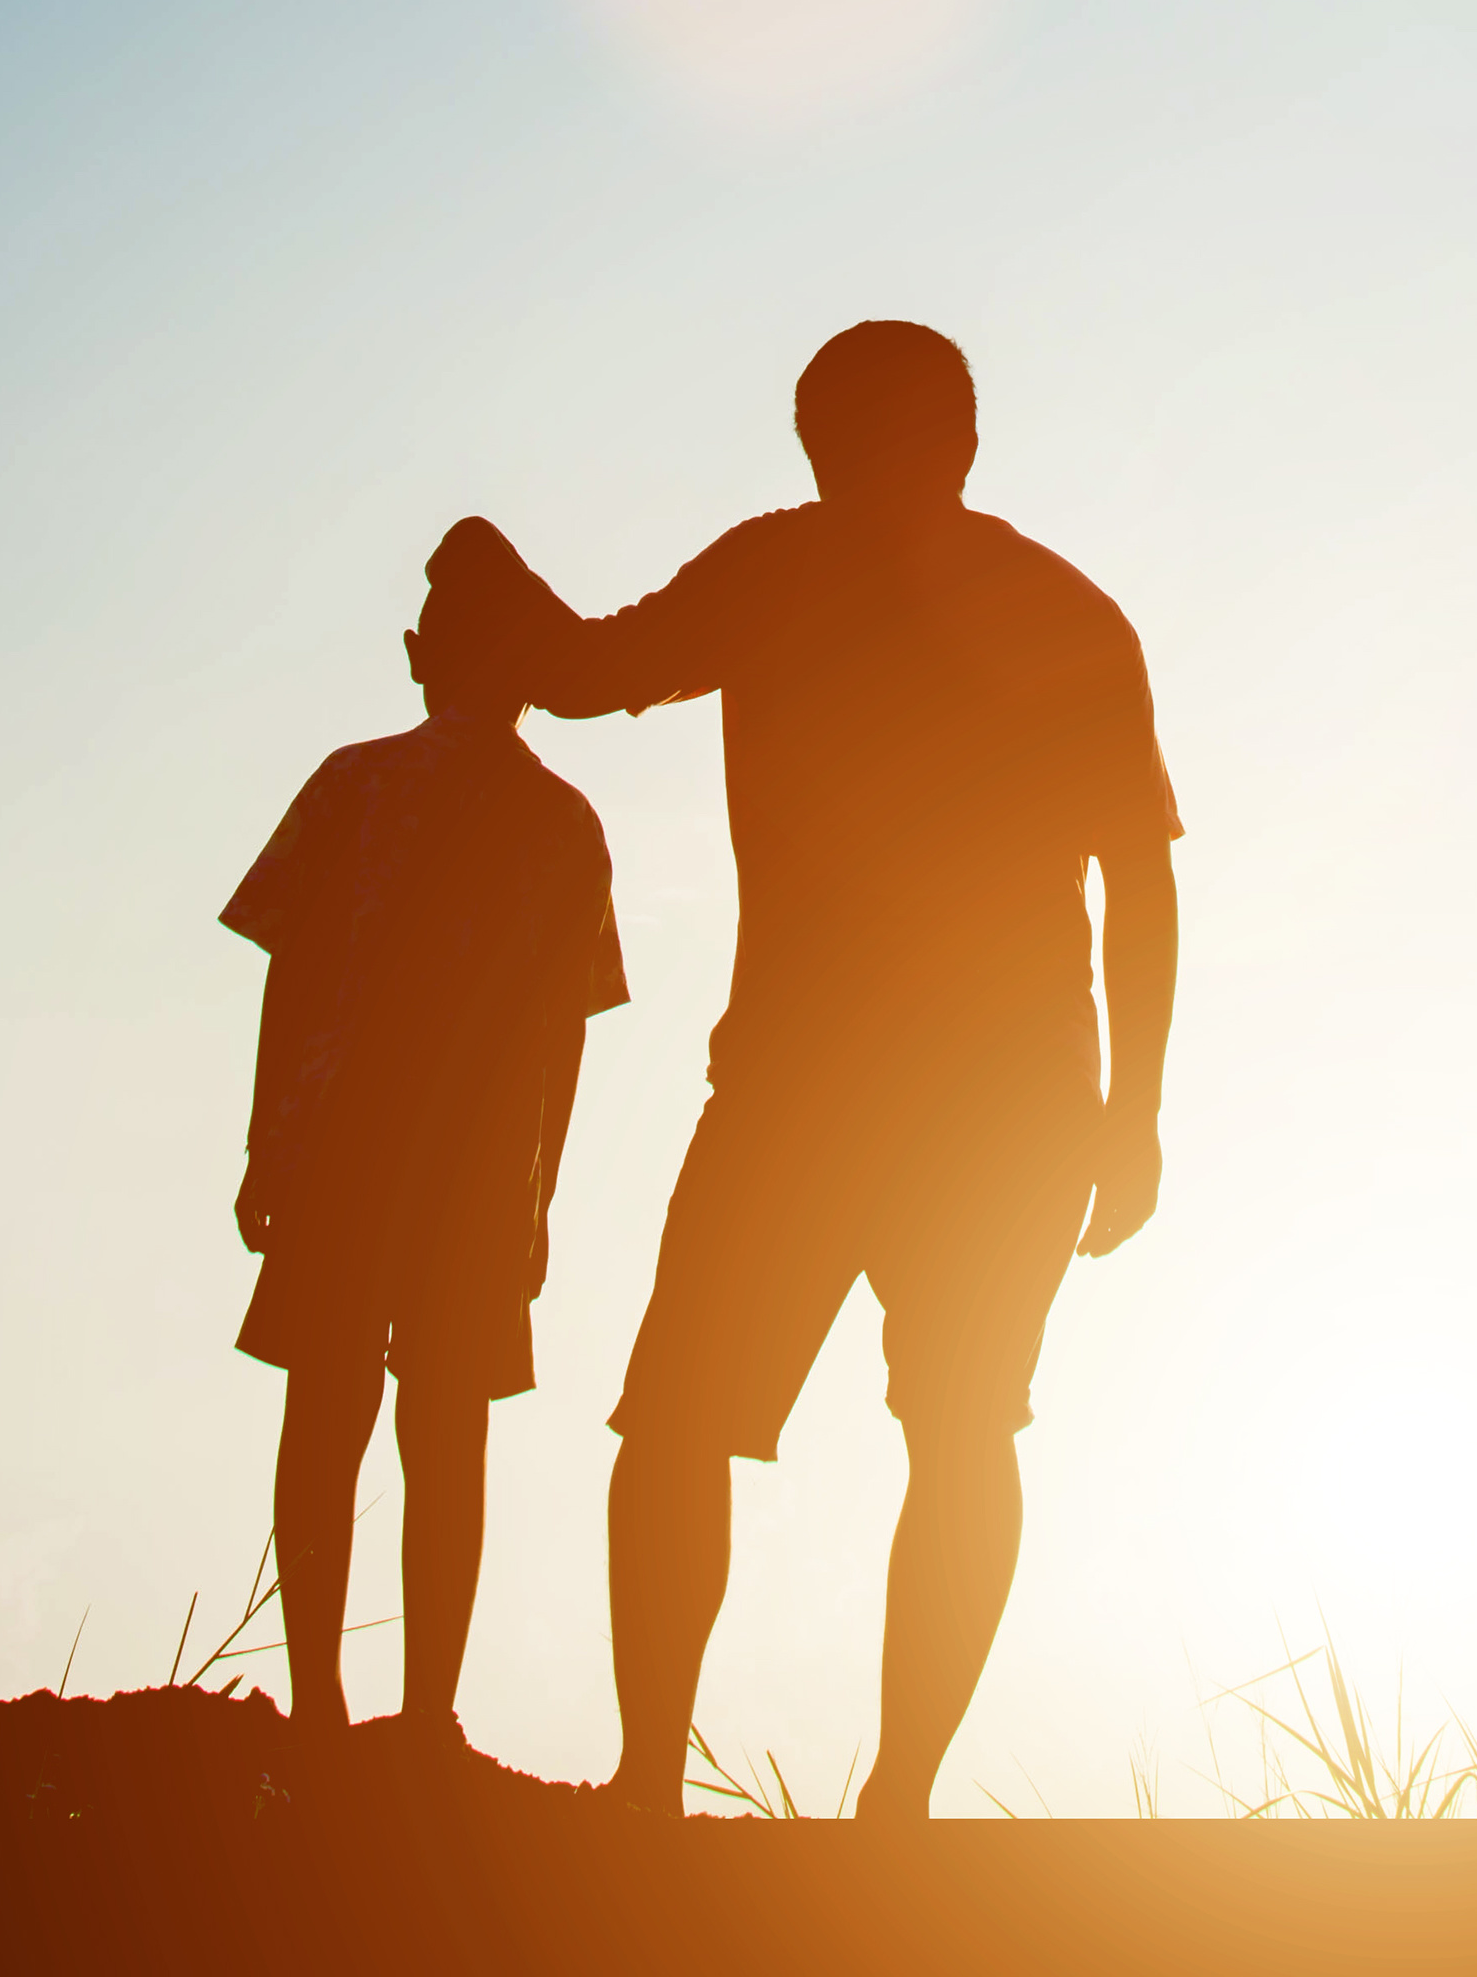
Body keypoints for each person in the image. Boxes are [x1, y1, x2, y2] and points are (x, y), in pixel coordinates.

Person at [451, 321, 1181, 1819]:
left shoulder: (979, 601)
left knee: (928, 1426)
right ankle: (680, 1782)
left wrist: (1134, 1113)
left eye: (874, 442)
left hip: (952, 1100)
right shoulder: (905, 585)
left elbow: (1139, 874)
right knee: (712, 1423)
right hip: (867, 1092)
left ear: (958, 442)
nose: (856, 474)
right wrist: (508, 600)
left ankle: (866, 1796)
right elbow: (594, 668)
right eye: (836, 449)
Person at [219, 519, 631, 1754]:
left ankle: (318, 1704)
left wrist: (261, 1145)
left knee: (329, 1409)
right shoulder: (561, 820)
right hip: (471, 1171)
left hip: (344, 1148)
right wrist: (539, 1197)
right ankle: (423, 1710)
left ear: (415, 655)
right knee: (445, 1425)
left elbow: (286, 982)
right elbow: (565, 1038)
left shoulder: (355, 783)